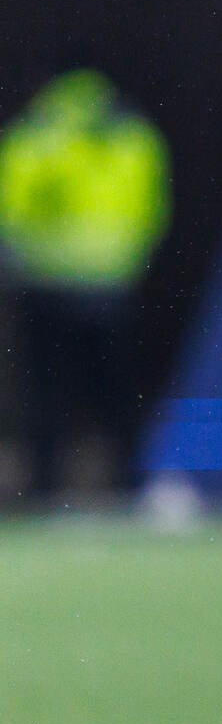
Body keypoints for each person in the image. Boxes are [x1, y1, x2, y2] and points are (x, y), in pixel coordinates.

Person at [0, 68, 169, 503]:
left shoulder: (38, 135)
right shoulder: (132, 136)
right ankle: (135, 484)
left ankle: (43, 488)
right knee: (115, 390)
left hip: (45, 283)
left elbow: (13, 207)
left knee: (46, 392)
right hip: (110, 286)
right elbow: (151, 210)